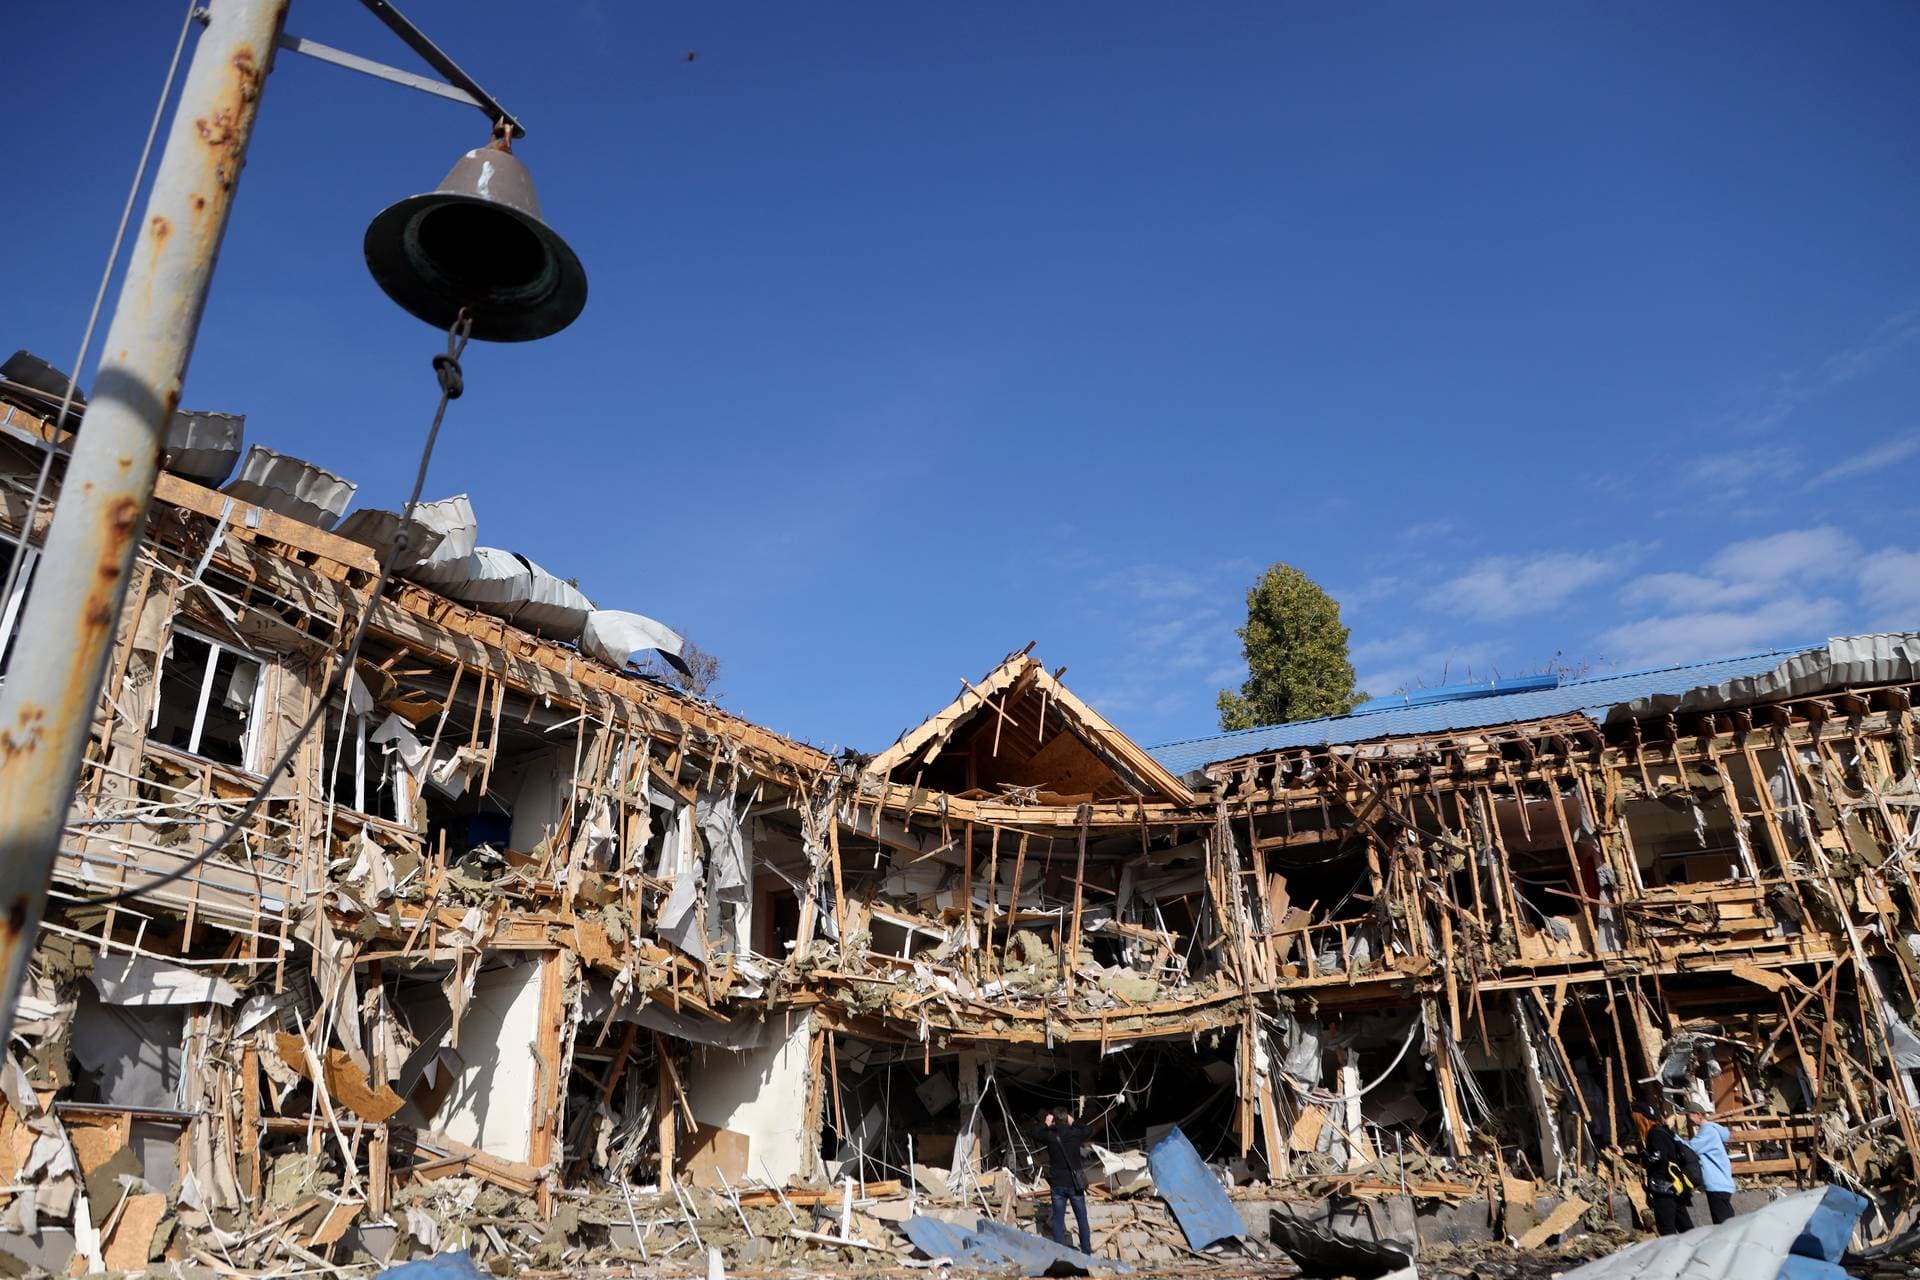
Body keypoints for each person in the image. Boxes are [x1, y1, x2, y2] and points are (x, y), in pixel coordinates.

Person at [1632, 1102, 1701, 1236]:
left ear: (1641, 1118)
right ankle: (1695, 1251)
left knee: (1667, 1229)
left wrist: (1645, 1159)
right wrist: (1628, 1156)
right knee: (1685, 1227)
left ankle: (1674, 1255)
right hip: (1675, 1186)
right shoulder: (1663, 1132)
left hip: (1664, 1188)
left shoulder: (1655, 1134)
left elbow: (1658, 1158)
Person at [1035, 1108, 1092, 1254]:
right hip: (1075, 1184)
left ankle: (1059, 1253)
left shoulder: (1050, 1135)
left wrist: (1046, 1124)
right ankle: (1086, 1252)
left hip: (1058, 1184)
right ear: (1067, 1118)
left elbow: (1035, 1133)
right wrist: (1074, 1123)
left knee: (1058, 1220)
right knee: (1082, 1219)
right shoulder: (1075, 1133)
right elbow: (1088, 1129)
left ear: (1054, 1119)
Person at [1684, 1109, 1738, 1224]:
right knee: (1727, 1222)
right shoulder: (1713, 1129)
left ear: (1698, 1114)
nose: (1687, 1121)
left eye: (1689, 1117)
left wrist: (1673, 1136)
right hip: (1722, 1183)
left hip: (1717, 1183)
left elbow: (1691, 1148)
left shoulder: (1707, 1131)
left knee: (1723, 1225)